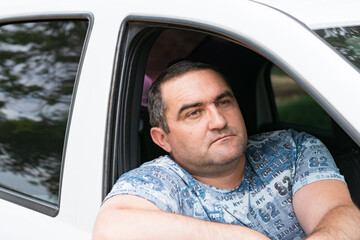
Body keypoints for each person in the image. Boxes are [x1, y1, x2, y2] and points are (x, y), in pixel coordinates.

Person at [93, 61, 360, 240]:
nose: (219, 121)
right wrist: (247, 238)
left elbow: (338, 213)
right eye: (194, 113)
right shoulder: (159, 181)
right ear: (163, 139)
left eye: (223, 102)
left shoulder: (291, 147)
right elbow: (110, 228)